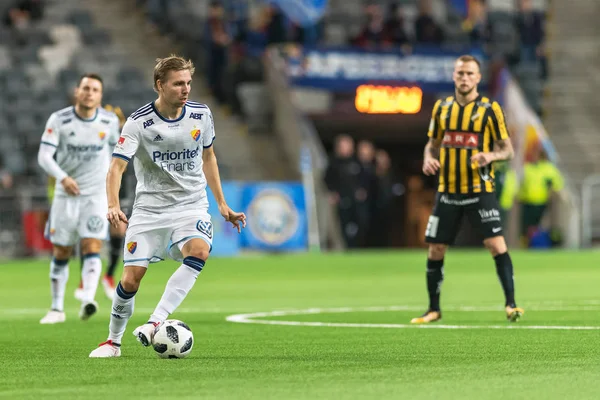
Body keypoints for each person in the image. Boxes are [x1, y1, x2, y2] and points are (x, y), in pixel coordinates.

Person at [89, 55, 246, 358]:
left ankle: (155, 321)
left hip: (191, 204)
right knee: (131, 278)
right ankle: (113, 342)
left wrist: (223, 205)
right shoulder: (139, 122)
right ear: (160, 85)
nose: (186, 89)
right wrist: (112, 204)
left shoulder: (201, 115)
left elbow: (209, 157)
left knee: (200, 250)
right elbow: (116, 168)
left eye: (188, 83)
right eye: (178, 84)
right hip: (150, 209)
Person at [411, 55, 524, 324]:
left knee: (496, 244)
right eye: (460, 73)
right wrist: (428, 158)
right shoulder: (442, 108)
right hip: (447, 191)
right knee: (436, 249)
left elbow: (507, 149)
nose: (464, 78)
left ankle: (511, 304)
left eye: (470, 74)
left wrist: (489, 156)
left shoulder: (490, 110)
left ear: (478, 78)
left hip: (479, 189)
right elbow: (432, 143)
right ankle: (433, 309)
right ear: (454, 76)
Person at [37, 74, 120, 324]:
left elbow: (119, 156)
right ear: (77, 91)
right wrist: (63, 178)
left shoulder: (109, 121)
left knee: (92, 245)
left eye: (95, 89)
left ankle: (88, 300)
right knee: (62, 249)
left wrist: (113, 187)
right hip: (66, 195)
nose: (89, 92)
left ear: (100, 95)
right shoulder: (59, 119)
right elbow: (44, 156)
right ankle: (56, 308)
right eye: (85, 88)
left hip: (95, 195)